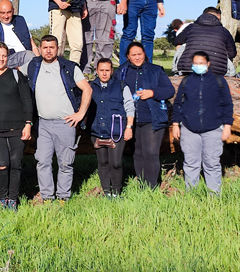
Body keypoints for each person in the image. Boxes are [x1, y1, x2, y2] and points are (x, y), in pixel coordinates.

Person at [23, 35, 92, 202]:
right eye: (45, 47)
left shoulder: (69, 67)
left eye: (52, 47)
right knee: (42, 161)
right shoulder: (33, 65)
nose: (48, 51)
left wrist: (80, 114)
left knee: (65, 163)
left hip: (65, 123)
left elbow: (87, 89)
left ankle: (63, 197)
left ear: (57, 48)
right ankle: (47, 197)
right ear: (40, 49)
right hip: (43, 124)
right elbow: (15, 72)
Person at [0, 42, 35, 210]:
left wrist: (28, 124)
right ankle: (2, 198)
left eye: (4, 56)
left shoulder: (16, 75)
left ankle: (13, 199)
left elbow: (27, 101)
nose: (1, 59)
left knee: (15, 163)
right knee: (2, 164)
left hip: (16, 127)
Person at [170, 52, 234, 194]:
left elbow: (227, 104)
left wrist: (227, 126)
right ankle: (191, 194)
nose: (198, 66)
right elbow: (178, 104)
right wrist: (175, 124)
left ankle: (214, 195)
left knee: (211, 163)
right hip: (189, 128)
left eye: (201, 63)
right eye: (196, 63)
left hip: (213, 128)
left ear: (208, 64)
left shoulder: (219, 81)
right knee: (190, 163)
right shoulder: (186, 81)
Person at [118, 41, 175, 189]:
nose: (137, 57)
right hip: (131, 120)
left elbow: (169, 90)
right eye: (133, 55)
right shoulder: (121, 72)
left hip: (152, 118)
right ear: (128, 56)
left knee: (150, 153)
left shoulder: (156, 70)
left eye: (140, 54)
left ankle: (152, 187)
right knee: (137, 153)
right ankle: (142, 185)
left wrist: (153, 93)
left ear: (144, 54)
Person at [87, 58, 134, 198]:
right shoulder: (90, 87)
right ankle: (106, 191)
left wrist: (129, 127)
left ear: (112, 71)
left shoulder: (122, 86)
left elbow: (130, 107)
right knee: (102, 163)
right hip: (97, 130)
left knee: (116, 163)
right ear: (96, 71)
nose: (104, 73)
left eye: (107, 70)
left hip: (117, 131)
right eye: (101, 70)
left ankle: (117, 192)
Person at [173, 7, 237, 75]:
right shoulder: (224, 31)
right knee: (226, 54)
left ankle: (176, 70)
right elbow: (232, 53)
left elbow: (177, 41)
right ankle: (230, 76)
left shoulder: (191, 27)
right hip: (217, 70)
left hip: (188, 68)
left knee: (181, 46)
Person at [0, 0, 39, 67]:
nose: (6, 16)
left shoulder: (21, 21)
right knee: (29, 56)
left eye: (9, 12)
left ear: (13, 11)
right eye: (2, 13)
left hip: (27, 58)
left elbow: (33, 45)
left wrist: (39, 60)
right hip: (6, 60)